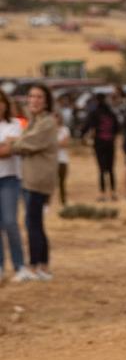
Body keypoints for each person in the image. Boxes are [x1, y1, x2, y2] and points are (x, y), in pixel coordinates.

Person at [9, 84, 59, 280]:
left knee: (33, 224)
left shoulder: (47, 123)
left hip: (38, 180)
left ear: (46, 101)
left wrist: (13, 142)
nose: (34, 100)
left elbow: (26, 144)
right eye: (31, 96)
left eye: (38, 97)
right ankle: (40, 265)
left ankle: (38, 266)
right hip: (30, 178)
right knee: (34, 223)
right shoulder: (34, 121)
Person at [0, 88, 25, 281]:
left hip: (9, 179)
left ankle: (19, 264)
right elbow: (6, 148)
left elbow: (10, 151)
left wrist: (8, 147)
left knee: (10, 222)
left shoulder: (15, 124)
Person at [85, 92, 120, 200]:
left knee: (101, 169)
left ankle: (103, 194)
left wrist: (87, 139)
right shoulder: (111, 112)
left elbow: (91, 129)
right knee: (111, 169)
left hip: (99, 144)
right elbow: (117, 128)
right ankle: (113, 193)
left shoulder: (94, 113)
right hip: (110, 143)